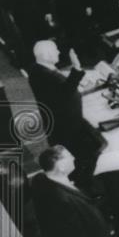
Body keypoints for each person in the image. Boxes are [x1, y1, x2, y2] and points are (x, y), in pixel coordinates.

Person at [31, 146, 117, 237]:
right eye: (69, 156)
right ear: (60, 165)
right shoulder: (59, 199)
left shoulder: (51, 181)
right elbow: (73, 234)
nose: (73, 158)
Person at [27, 40, 97, 186]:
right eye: (55, 50)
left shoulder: (37, 68)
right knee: (81, 155)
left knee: (77, 153)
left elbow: (58, 91)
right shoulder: (46, 74)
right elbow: (65, 92)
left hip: (59, 121)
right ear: (46, 55)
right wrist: (76, 67)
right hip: (66, 125)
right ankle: (82, 184)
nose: (59, 52)